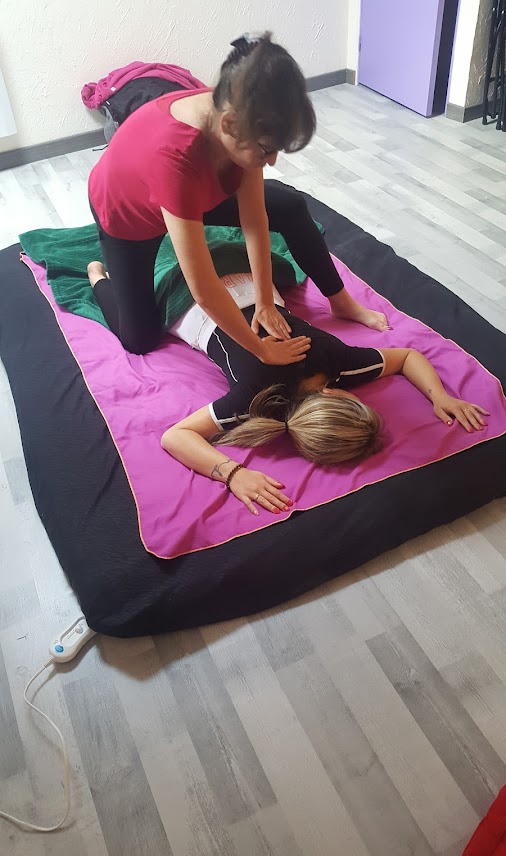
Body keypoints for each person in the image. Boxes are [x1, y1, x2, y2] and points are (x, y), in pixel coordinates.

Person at [86, 32, 387, 361]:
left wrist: (265, 302)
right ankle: (98, 276)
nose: (271, 161)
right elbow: (202, 287)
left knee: (290, 206)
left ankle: (340, 300)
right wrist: (260, 350)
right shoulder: (175, 158)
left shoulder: (241, 116)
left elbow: (255, 221)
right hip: (127, 214)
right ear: (228, 125)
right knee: (140, 338)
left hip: (188, 187)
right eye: (266, 150)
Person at [161, 271, 489, 514]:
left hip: (234, 287)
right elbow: (176, 436)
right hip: (195, 303)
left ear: (333, 397)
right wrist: (234, 474)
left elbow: (406, 357)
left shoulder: (335, 364)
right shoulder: (255, 402)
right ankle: (102, 276)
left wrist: (440, 397)